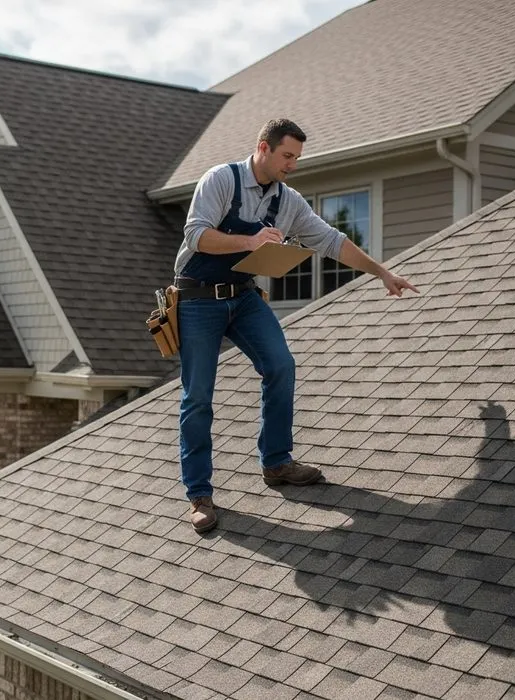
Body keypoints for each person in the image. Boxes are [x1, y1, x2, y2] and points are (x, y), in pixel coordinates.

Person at [174, 118, 418, 534]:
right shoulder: (221, 180)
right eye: (287, 156)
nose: (293, 165)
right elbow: (197, 235)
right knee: (198, 396)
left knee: (281, 366)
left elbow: (331, 240)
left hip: (243, 296)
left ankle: (276, 462)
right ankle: (199, 493)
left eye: (297, 158)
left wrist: (381, 272)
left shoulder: (289, 201)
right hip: (197, 298)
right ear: (263, 148)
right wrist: (250, 242)